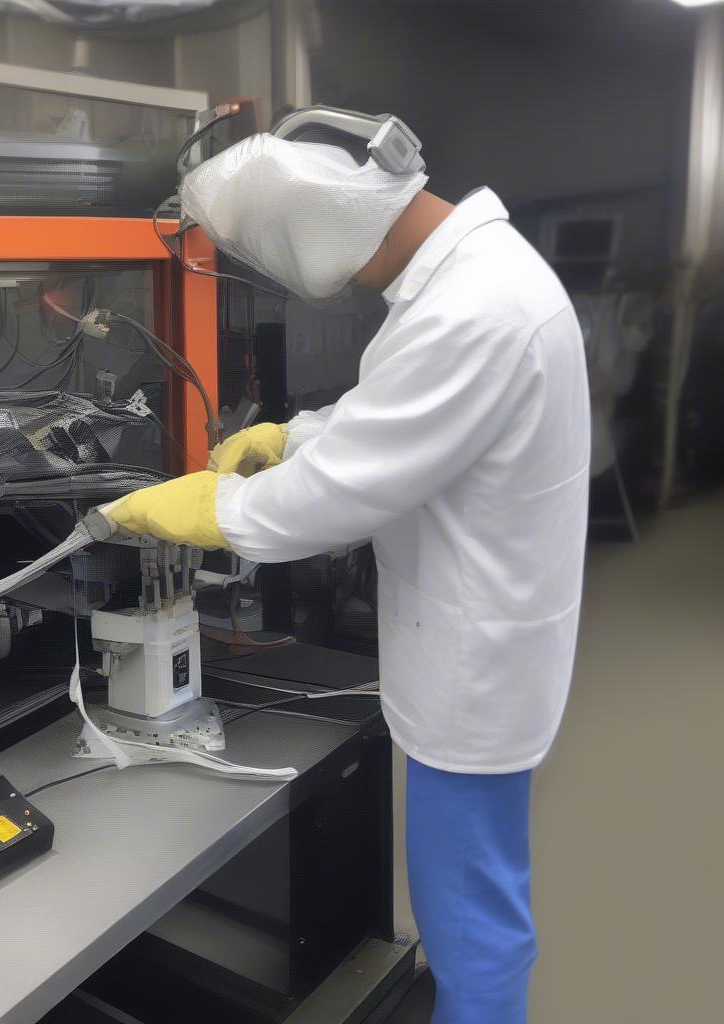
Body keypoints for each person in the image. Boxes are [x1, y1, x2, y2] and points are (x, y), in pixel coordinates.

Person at [109, 125, 590, 1023]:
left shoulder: (474, 308)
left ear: (318, 231)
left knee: (471, 927)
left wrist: (207, 512)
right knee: (479, 904)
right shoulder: (473, 275)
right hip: (486, 643)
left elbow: (336, 496)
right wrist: (289, 437)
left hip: (474, 673)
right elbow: (397, 416)